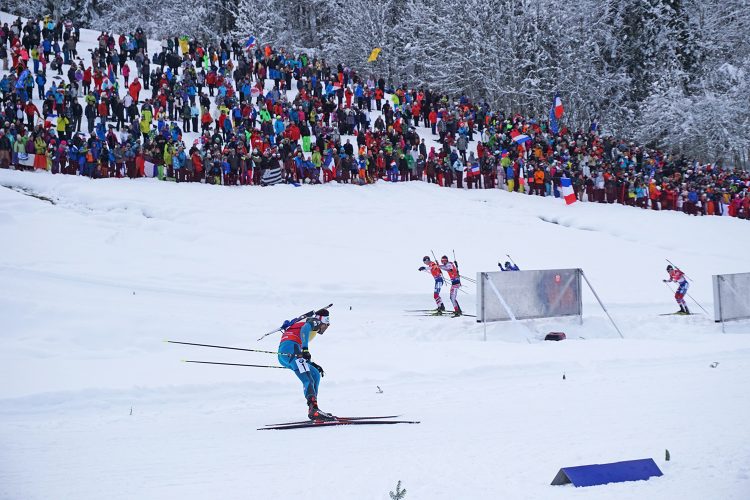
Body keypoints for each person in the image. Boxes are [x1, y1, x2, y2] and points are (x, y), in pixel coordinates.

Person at [277, 308, 333, 421]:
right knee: (308, 379)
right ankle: (314, 410)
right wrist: (305, 349)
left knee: (315, 374)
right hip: (292, 350)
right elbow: (305, 328)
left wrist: (311, 363)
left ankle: (314, 408)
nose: (326, 328)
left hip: (287, 354)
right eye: (327, 324)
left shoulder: (305, 322)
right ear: (324, 321)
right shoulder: (315, 321)